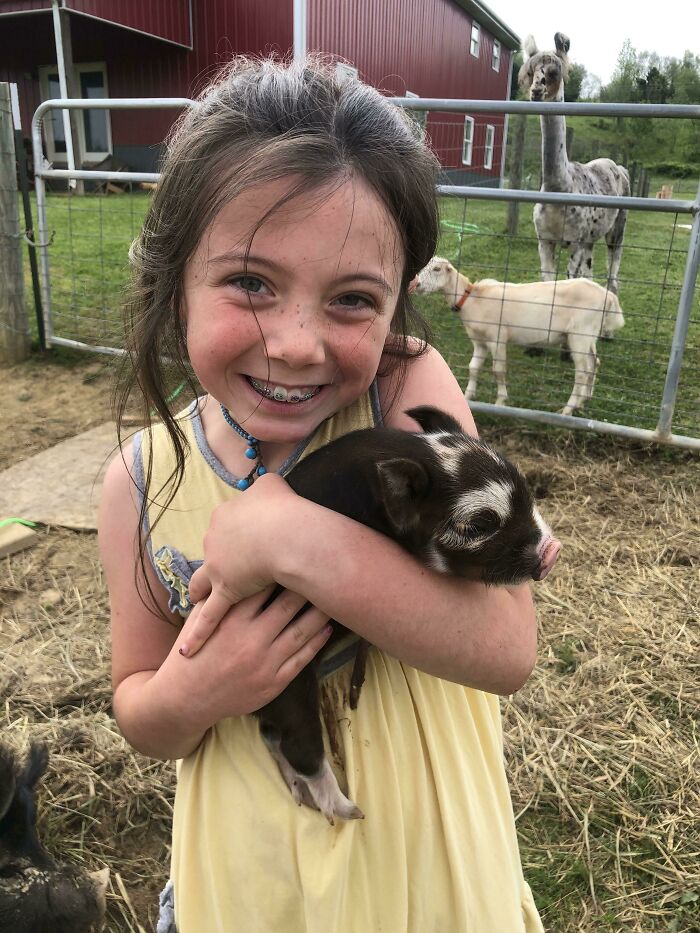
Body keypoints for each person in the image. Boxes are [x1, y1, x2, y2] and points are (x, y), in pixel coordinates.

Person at [99, 55, 544, 932]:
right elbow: (140, 711)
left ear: (395, 305)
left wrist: (292, 541)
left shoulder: (402, 397)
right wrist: (200, 689)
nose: (298, 343)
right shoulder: (139, 482)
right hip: (248, 886)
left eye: (351, 299)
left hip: (423, 879)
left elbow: (507, 648)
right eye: (251, 283)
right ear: (174, 283)